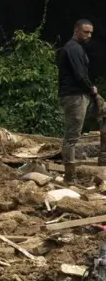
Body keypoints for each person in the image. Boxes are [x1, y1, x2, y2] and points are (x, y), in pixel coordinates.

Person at [57, 19, 98, 182]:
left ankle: (71, 174)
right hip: (74, 95)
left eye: (90, 33)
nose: (88, 35)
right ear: (76, 30)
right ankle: (70, 176)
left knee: (74, 135)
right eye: (85, 32)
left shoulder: (76, 48)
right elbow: (80, 75)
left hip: (77, 94)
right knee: (72, 137)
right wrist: (91, 88)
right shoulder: (73, 48)